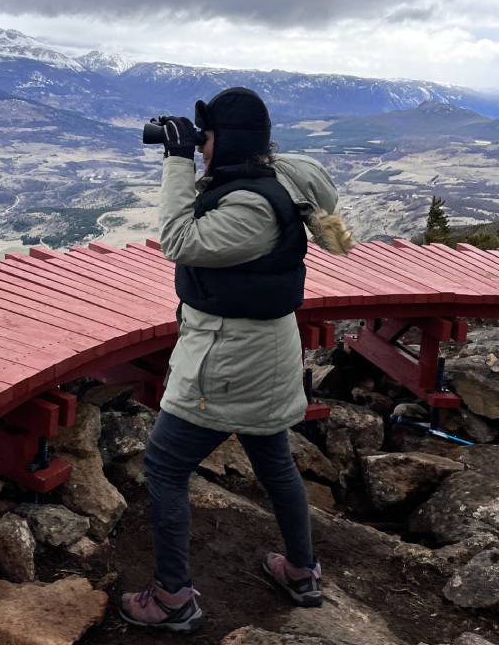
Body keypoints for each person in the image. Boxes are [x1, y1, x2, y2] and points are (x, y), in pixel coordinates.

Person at [119, 87, 355, 633]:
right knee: (273, 461)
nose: (201, 149)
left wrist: (178, 162)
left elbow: (179, 240)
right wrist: (216, 146)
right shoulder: (282, 174)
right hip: (265, 352)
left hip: (228, 356)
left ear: (227, 142)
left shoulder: (252, 207)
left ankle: (173, 598)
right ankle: (300, 571)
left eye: (207, 140)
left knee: (165, 465)